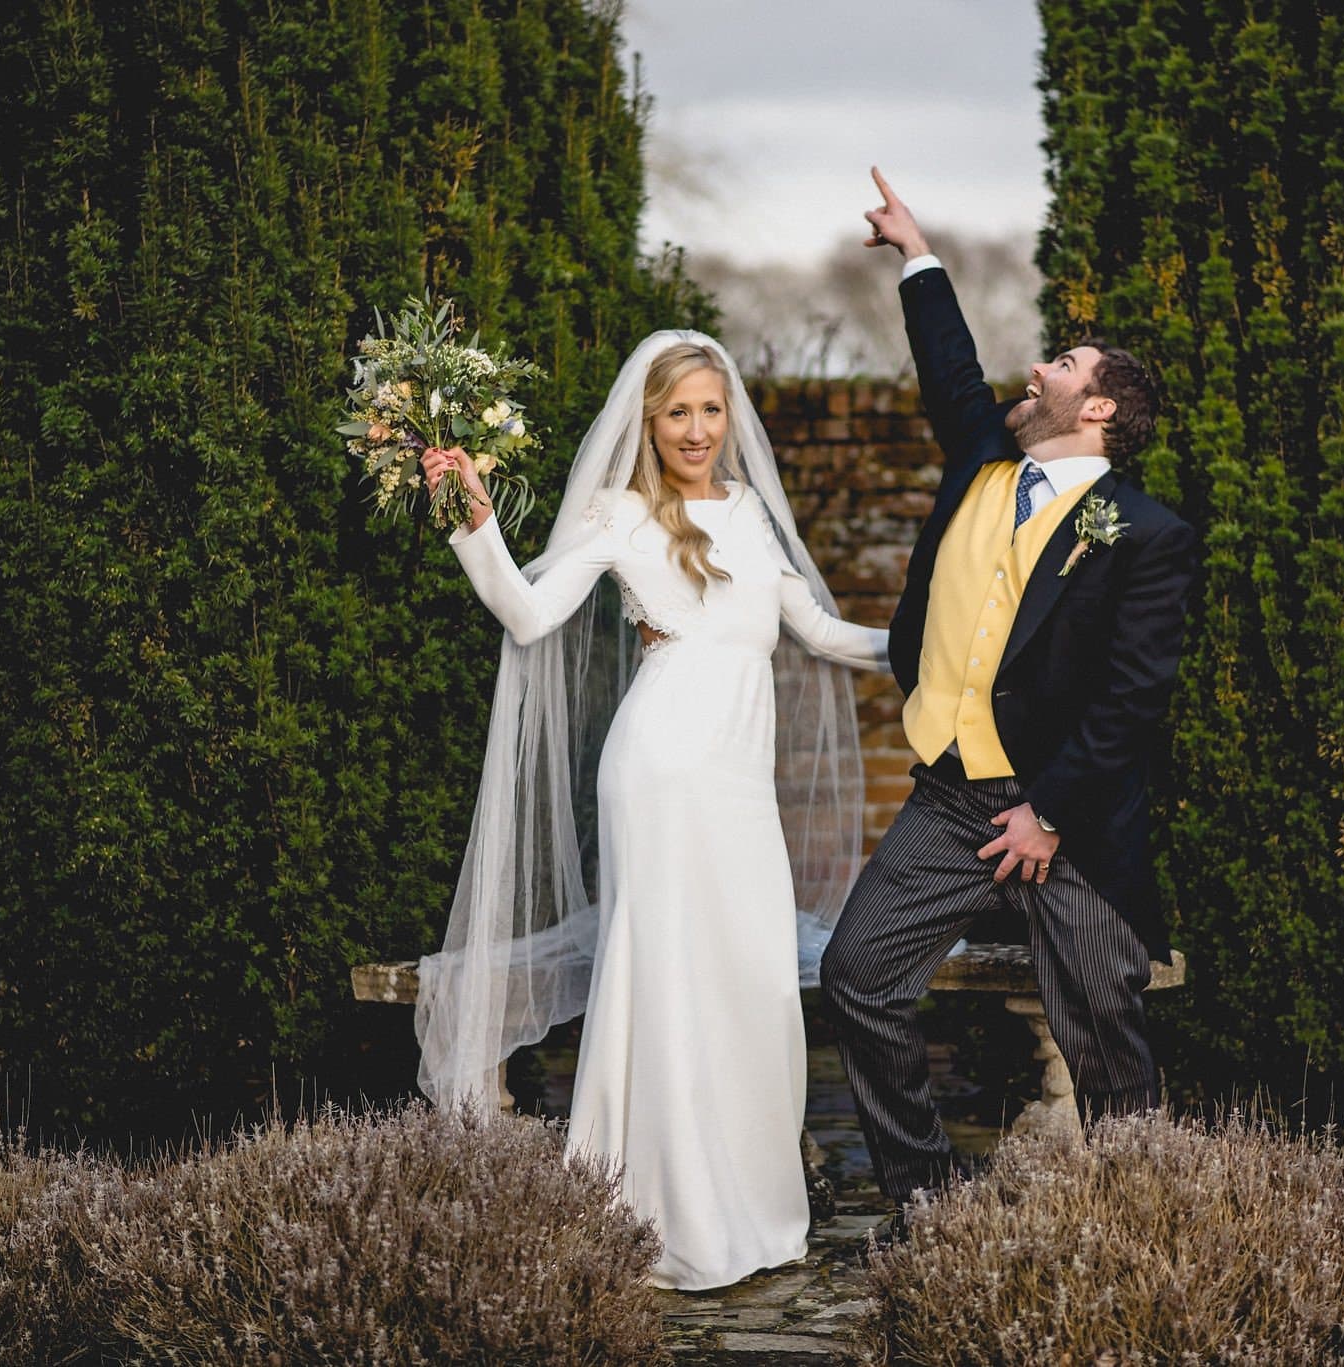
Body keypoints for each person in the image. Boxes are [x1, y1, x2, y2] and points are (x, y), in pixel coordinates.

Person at [413, 333, 889, 1291]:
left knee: (751, 978)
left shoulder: (750, 512)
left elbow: (823, 632)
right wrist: (466, 512)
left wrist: (939, 646)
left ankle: (749, 1209)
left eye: (712, 410)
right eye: (678, 413)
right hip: (662, 768)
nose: (698, 430)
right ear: (648, 421)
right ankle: (656, 1215)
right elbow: (527, 613)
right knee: (665, 976)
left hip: (739, 784)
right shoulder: (618, 515)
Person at [821, 169, 1201, 1209]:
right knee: (855, 978)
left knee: (1105, 1043)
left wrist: (1047, 813)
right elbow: (950, 367)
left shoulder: (1147, 534)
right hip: (949, 798)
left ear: (1101, 406)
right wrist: (916, 251)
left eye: (1062, 364)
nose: (1034, 368)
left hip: (1063, 821)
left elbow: (1131, 698)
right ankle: (925, 1194)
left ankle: (1148, 1232)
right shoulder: (984, 461)